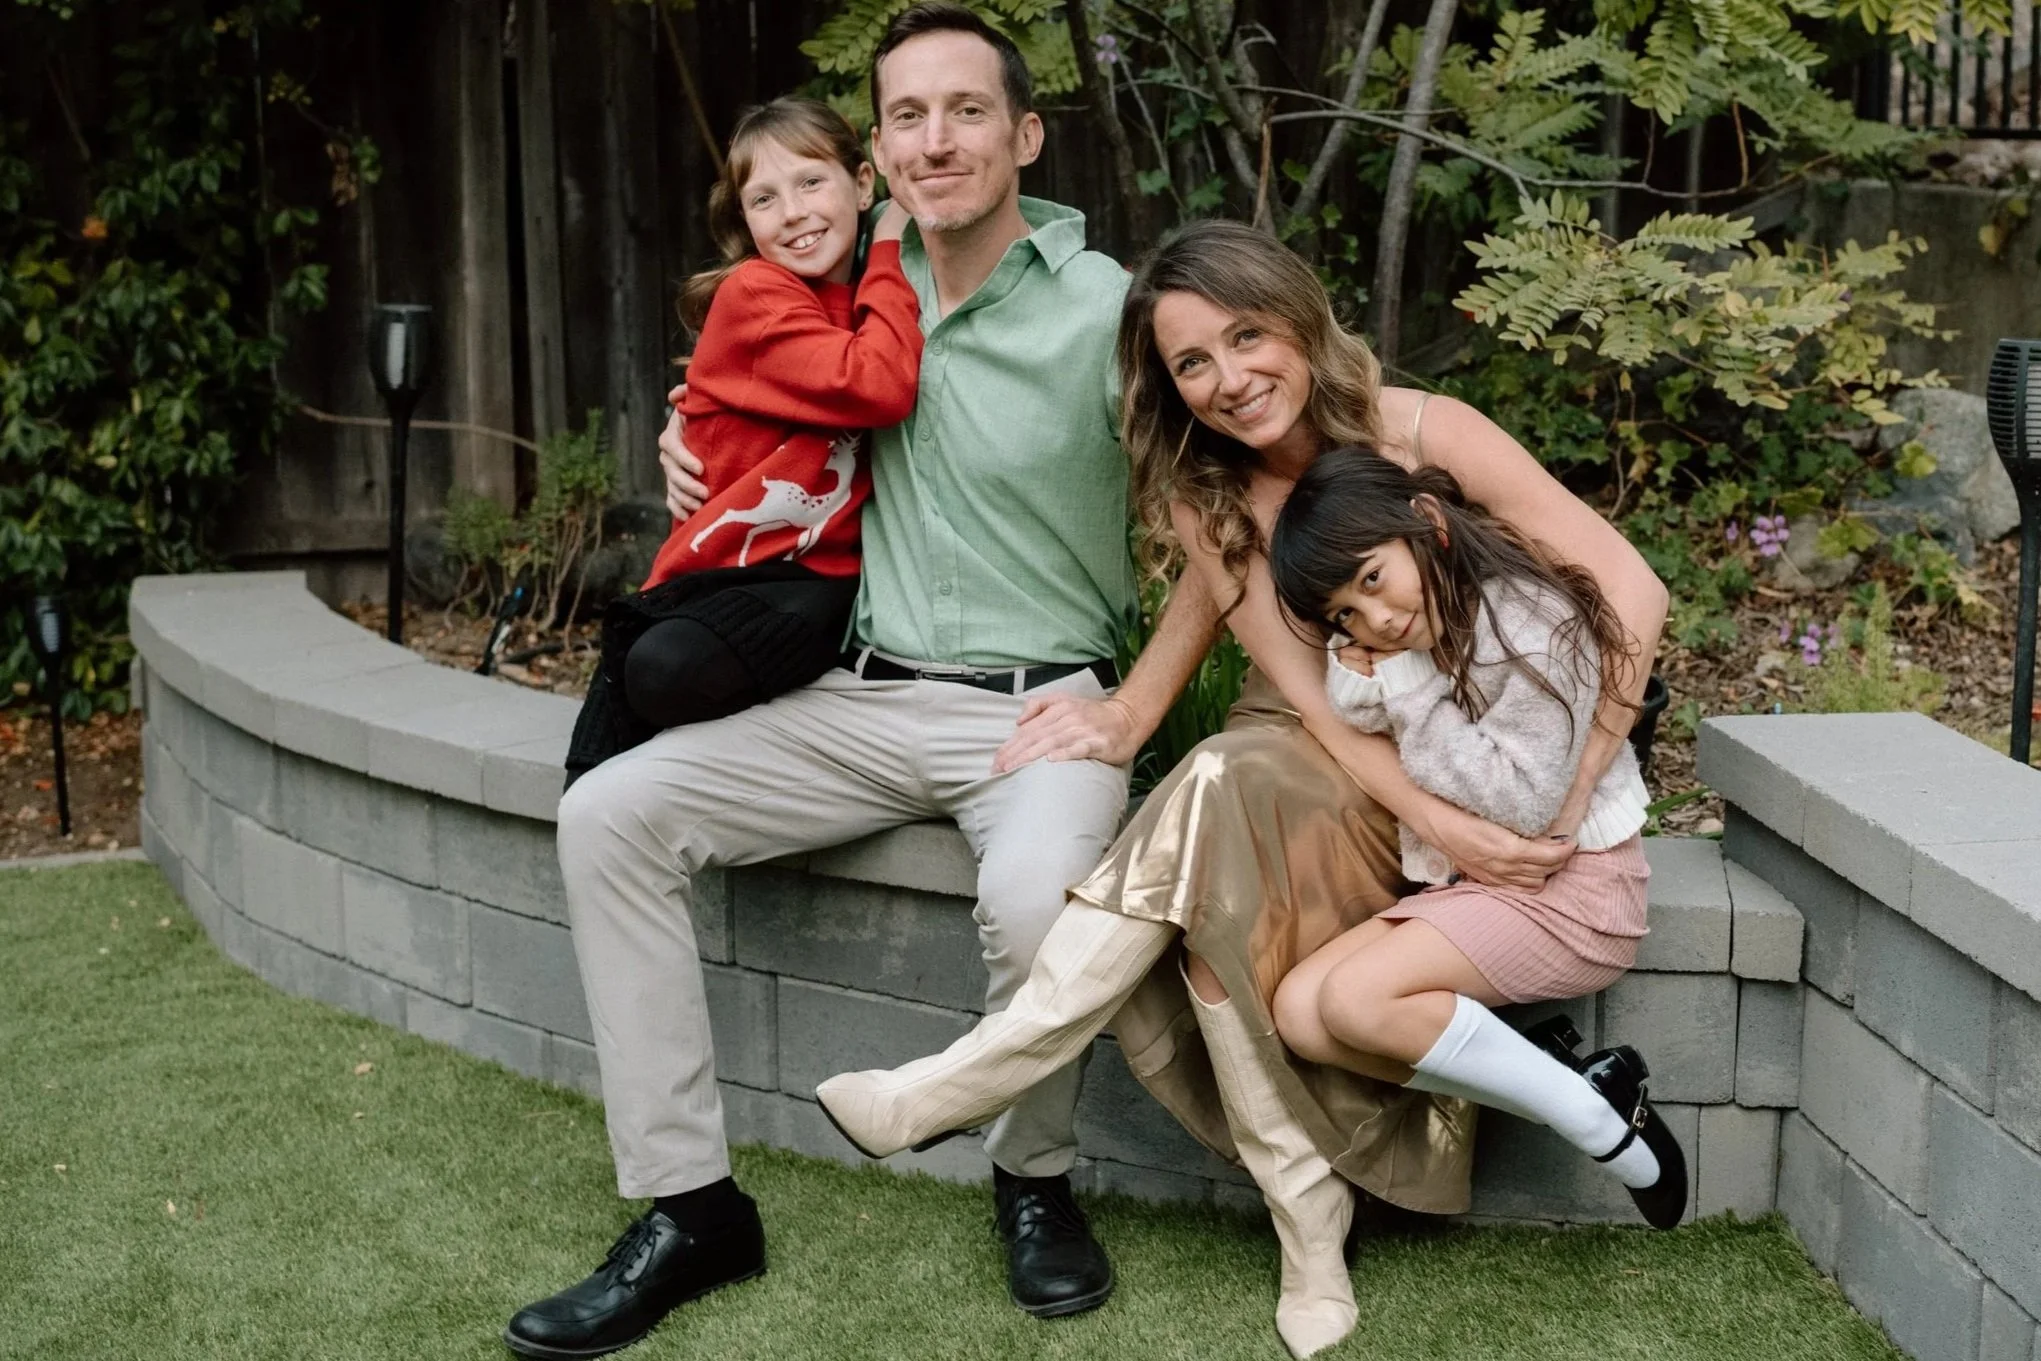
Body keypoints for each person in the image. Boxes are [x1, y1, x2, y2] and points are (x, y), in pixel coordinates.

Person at [503, 7, 1233, 1358]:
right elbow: (735, 398)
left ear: (1023, 133)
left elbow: (1221, 533)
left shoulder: (1103, 310)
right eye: (907, 115)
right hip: (857, 691)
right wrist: (687, 445)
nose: (935, 138)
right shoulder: (839, 282)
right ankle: (690, 1204)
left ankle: (1032, 1178)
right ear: (877, 152)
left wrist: (1130, 712)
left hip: (1036, 704)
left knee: (1033, 900)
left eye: (967, 110)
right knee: (611, 815)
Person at [817, 219, 1668, 1359]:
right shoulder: (1209, 494)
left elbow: (1628, 585)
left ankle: (972, 1077)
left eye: (1245, 336)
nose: (1229, 381)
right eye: (1192, 364)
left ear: (1298, 322)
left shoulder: (1425, 433)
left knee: (1213, 793)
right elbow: (1314, 706)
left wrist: (1566, 796)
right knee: (1224, 792)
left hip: (1432, 749)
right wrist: (1443, 823)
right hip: (1318, 744)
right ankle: (1301, 1222)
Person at [1264, 445, 1683, 1237]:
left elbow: (1522, 804)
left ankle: (1597, 1119)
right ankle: (1568, 1082)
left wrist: (1408, 684)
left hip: (1577, 895)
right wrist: (1374, 666)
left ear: (1424, 523)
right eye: (1344, 614)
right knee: (1298, 1013)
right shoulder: (1424, 631)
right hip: (1490, 889)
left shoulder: (1523, 618)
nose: (1373, 620)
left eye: (1373, 578)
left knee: (1352, 1000)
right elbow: (1357, 707)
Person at [563, 98, 919, 778]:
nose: (792, 212)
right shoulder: (757, 293)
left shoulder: (876, 296)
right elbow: (875, 383)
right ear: (746, 222)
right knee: (657, 672)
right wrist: (889, 240)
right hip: (730, 577)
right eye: (764, 198)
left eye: (811, 182)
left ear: (863, 182)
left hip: (825, 576)